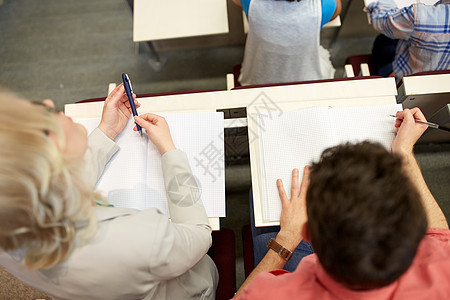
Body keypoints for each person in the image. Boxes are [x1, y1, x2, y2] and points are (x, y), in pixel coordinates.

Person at [0, 85, 218, 299]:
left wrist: (107, 131)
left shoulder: (13, 223)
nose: (48, 102)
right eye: (43, 119)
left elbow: (54, 186)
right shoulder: (135, 239)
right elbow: (198, 232)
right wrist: (170, 152)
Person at [234, 107, 450, 299]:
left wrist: (287, 238)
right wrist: (403, 152)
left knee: (260, 195)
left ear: (307, 232)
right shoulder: (443, 271)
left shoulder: (273, 293)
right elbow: (439, 236)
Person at [232, 0, 342, 86]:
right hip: (307, 75)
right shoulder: (324, 5)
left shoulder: (251, 2)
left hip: (260, 76)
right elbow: (337, 9)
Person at [366, 0, 450, 80]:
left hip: (405, 85)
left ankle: (387, 78)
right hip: (442, 88)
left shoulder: (420, 15)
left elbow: (381, 19)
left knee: (383, 40)